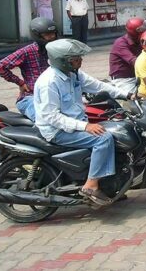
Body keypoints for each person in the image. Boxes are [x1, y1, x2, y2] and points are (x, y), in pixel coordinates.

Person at [34, 39, 134, 206]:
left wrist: (127, 95)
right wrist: (85, 126)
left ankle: (108, 185)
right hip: (57, 131)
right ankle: (91, 185)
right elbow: (51, 116)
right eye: (76, 58)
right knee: (103, 138)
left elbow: (98, 86)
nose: (80, 61)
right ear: (63, 61)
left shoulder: (73, 73)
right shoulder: (49, 82)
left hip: (74, 124)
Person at [0, 17, 58, 120]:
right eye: (47, 35)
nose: (52, 37)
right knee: (45, 120)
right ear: (37, 36)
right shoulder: (27, 51)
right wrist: (20, 82)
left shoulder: (57, 50)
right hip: (31, 98)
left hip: (53, 97)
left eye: (53, 34)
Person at [109, 17, 146, 94]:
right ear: (137, 32)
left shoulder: (140, 41)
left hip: (138, 77)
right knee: (137, 100)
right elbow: (135, 62)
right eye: (143, 29)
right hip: (124, 80)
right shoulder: (120, 43)